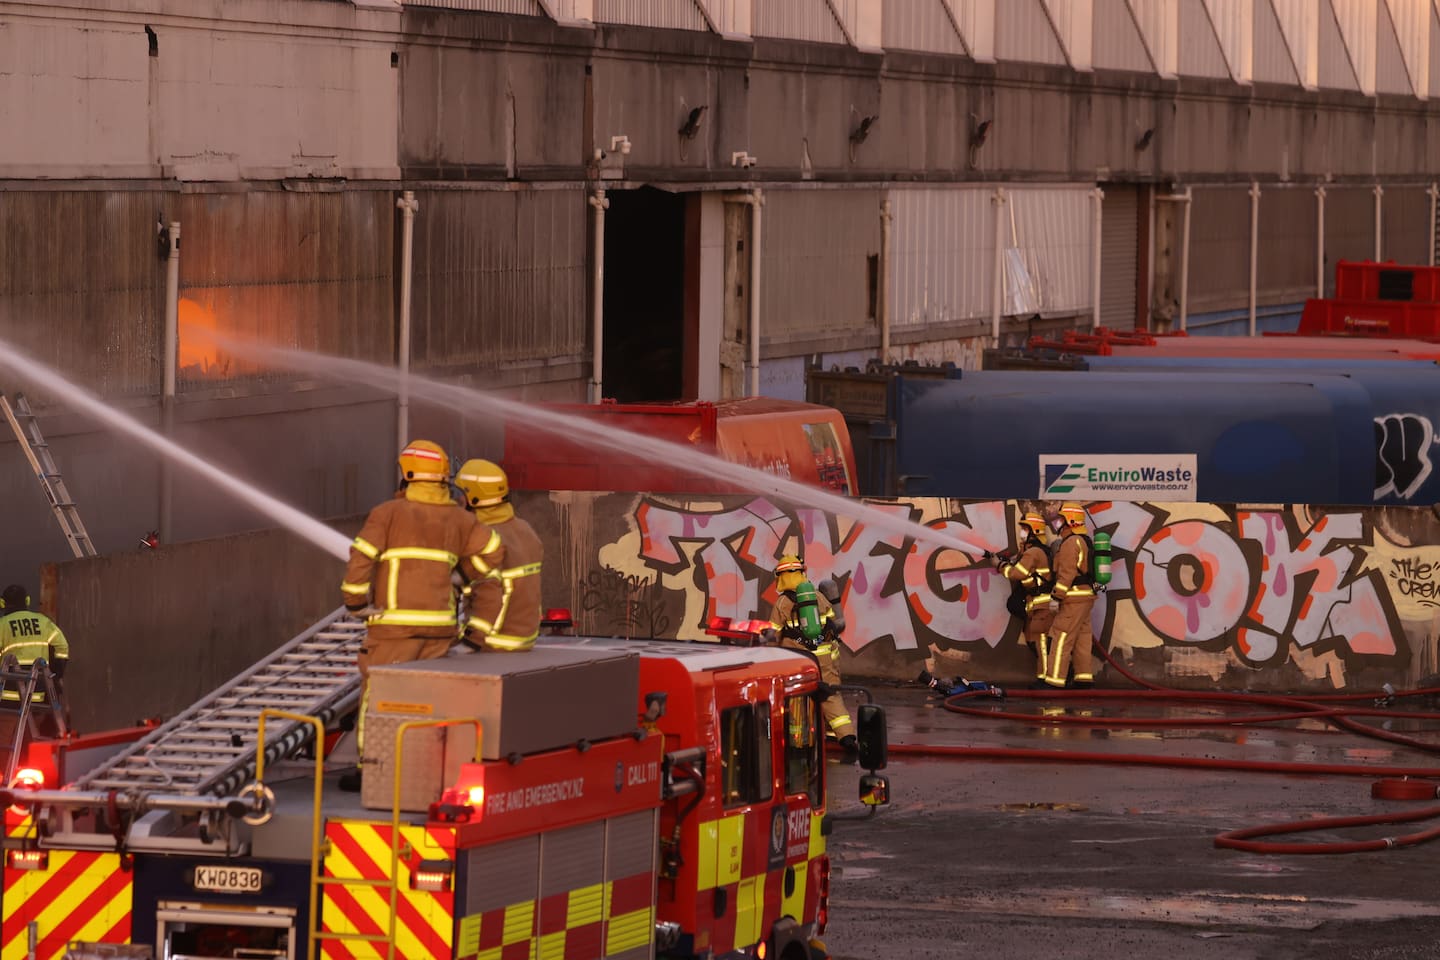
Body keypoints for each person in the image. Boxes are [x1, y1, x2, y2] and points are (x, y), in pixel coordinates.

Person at [339, 439, 506, 791]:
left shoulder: (388, 513)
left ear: (409, 475)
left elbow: (362, 557)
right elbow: (494, 552)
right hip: (440, 629)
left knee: (378, 697)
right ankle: (423, 771)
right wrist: (460, 575)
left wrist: (355, 602)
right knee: (427, 701)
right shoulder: (458, 518)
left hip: (393, 631)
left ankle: (370, 769)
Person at [766, 555, 858, 762]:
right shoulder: (819, 596)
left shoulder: (782, 603)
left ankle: (799, 745)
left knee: (799, 699)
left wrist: (769, 655)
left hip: (800, 660)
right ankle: (846, 737)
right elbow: (832, 625)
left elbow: (773, 633)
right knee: (831, 695)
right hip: (824, 656)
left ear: (781, 577)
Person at [454, 458, 543, 652]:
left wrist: (470, 642)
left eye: (462, 494)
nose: (458, 500)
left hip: (491, 643)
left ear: (474, 498)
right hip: (523, 640)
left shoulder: (484, 538)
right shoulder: (524, 529)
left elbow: (488, 596)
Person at [994, 510, 1056, 689]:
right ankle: (1045, 677)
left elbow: (1016, 573)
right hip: (1035, 606)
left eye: (1024, 529)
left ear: (1033, 531)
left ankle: (1045, 680)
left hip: (1042, 606)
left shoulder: (1034, 552)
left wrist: (999, 566)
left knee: (1040, 644)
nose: (1021, 532)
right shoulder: (1032, 551)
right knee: (1033, 641)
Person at [0, 584, 69, 737]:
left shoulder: (2, 625)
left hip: (8, 698)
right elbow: (62, 647)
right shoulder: (43, 622)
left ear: (2, 604)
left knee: (7, 739)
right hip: (38, 693)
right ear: (27, 600)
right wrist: (56, 675)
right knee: (33, 735)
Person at [1042, 501, 1097, 690]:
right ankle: (1083, 678)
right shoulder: (1084, 541)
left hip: (1072, 598)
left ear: (1070, 521)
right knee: (1082, 638)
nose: (1058, 523)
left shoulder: (1070, 543)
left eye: (1061, 519)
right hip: (1085, 597)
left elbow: (1066, 574)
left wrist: (1056, 597)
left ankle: (1054, 681)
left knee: (1061, 637)